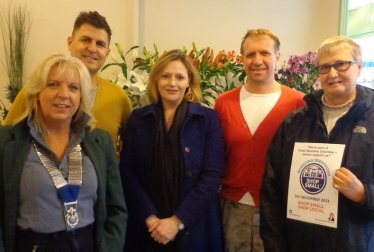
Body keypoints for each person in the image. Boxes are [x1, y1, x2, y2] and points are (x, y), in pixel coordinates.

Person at [0, 54, 127, 251]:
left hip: (88, 243)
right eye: (53, 85)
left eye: (73, 87)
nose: (64, 94)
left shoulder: (99, 142)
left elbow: (116, 209)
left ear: (81, 96)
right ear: (36, 92)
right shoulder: (7, 142)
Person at [260, 36, 374, 252]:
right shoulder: (295, 122)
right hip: (297, 243)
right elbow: (271, 191)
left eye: (341, 64)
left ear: (358, 67)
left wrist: (364, 194)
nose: (332, 74)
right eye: (325, 67)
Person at [120, 49, 225, 252]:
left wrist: (177, 221)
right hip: (148, 228)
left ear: (189, 82)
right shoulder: (138, 118)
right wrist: (151, 219)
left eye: (179, 77)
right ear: (156, 80)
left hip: (194, 226)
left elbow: (212, 176)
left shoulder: (208, 119)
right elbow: (128, 172)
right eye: (165, 76)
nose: (172, 83)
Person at [214, 29, 305, 252]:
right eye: (250, 54)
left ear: (277, 58)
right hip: (232, 208)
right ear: (242, 59)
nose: (257, 61)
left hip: (277, 210)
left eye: (264, 53)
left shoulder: (298, 103)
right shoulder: (224, 103)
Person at [3, 11, 132, 153]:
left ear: (107, 52)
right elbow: (8, 140)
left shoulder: (118, 97)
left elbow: (133, 148)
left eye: (100, 44)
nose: (92, 48)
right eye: (86, 40)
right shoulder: (38, 90)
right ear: (70, 43)